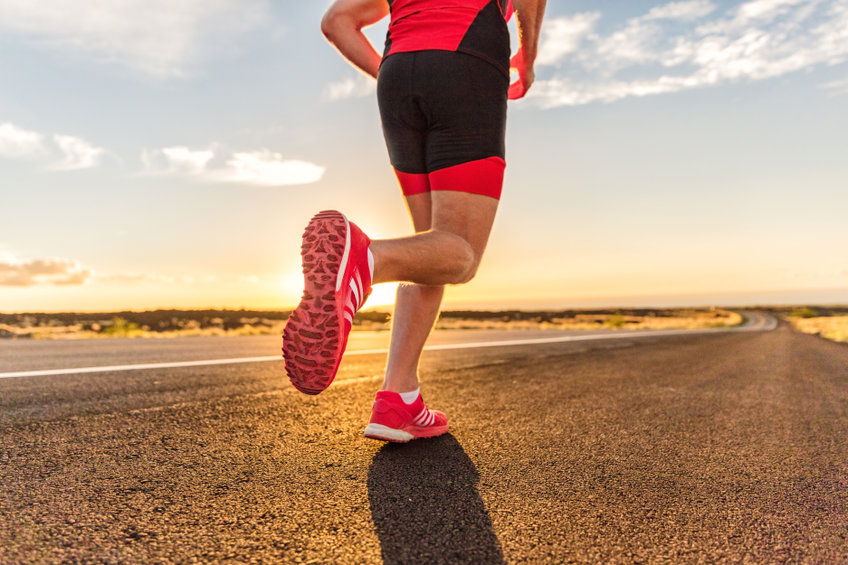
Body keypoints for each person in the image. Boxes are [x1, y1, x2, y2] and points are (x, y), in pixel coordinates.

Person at [283, 0, 547, 443]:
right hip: (467, 62)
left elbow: (336, 22)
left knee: (428, 251)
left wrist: (393, 71)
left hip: (398, 77)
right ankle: (366, 258)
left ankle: (398, 397)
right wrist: (529, 56)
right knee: (460, 254)